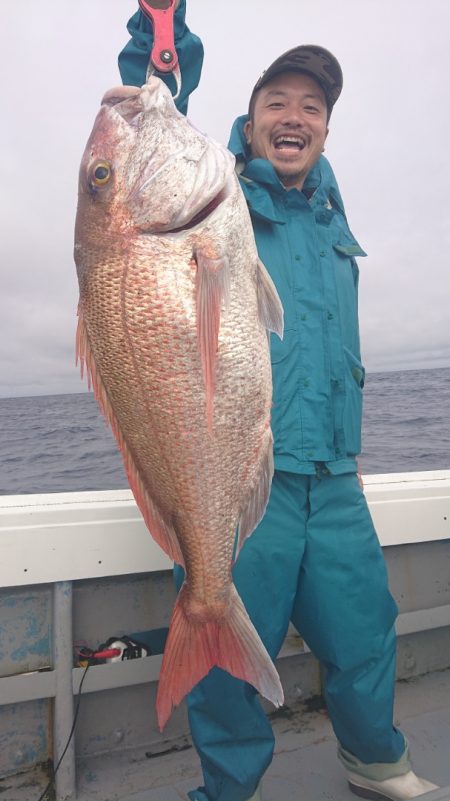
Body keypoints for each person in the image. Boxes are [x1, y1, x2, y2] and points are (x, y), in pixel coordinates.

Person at [118, 5, 439, 801]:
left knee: (366, 630)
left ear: (325, 129)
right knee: (228, 648)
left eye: (313, 107)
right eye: (278, 103)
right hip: (244, 472)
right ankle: (227, 791)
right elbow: (152, 121)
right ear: (250, 120)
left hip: (333, 473)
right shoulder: (213, 192)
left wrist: (351, 456)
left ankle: (375, 761)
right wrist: (160, 35)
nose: (295, 117)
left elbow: (339, 352)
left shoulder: (334, 216)